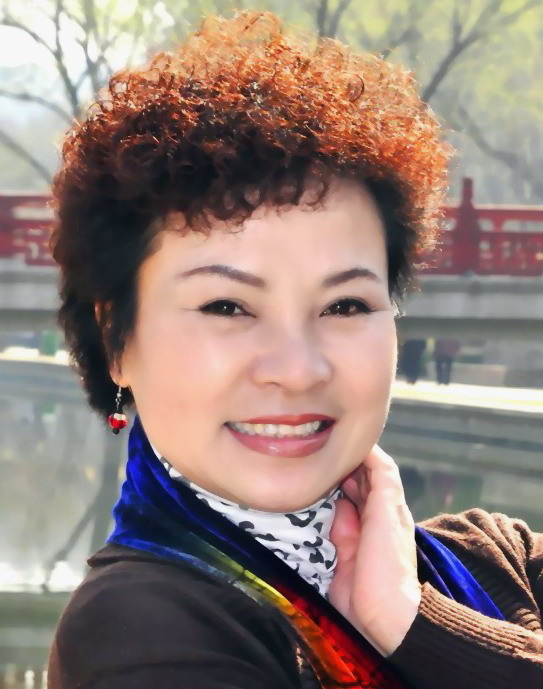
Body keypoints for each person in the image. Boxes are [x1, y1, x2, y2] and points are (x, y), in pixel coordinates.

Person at [46, 11, 543, 689]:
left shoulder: (498, 559)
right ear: (117, 342)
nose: (298, 369)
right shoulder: (136, 634)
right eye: (227, 307)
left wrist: (415, 621)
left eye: (345, 306)